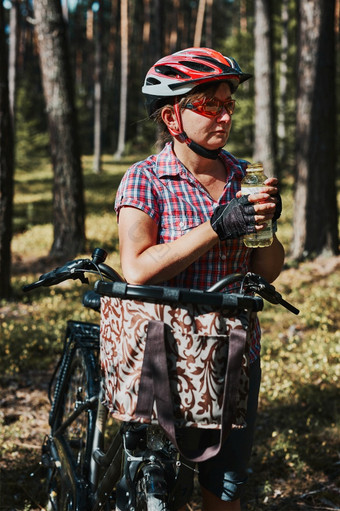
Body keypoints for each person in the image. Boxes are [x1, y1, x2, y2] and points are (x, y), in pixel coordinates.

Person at [114, 47, 284, 511]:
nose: (225, 116)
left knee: (224, 484)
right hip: (165, 357)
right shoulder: (145, 180)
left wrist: (264, 230)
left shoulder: (242, 177)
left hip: (234, 354)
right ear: (172, 117)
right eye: (211, 104)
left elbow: (269, 271)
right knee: (158, 486)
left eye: (229, 104)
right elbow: (137, 268)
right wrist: (216, 226)